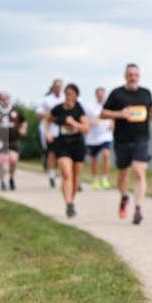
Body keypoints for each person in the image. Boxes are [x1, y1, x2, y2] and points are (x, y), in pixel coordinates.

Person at [99, 64, 152, 225]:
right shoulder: (117, 93)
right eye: (130, 75)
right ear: (125, 76)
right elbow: (103, 113)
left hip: (141, 138)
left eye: (135, 75)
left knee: (139, 171)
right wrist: (120, 114)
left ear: (138, 76)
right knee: (122, 175)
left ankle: (138, 208)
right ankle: (124, 197)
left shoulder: (145, 93)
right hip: (122, 140)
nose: (133, 77)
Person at [45, 83, 89, 217]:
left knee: (75, 177)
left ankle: (71, 202)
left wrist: (74, 123)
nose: (70, 96)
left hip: (77, 144)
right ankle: (68, 203)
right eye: (68, 94)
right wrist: (47, 132)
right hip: (62, 143)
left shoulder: (79, 110)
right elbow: (48, 120)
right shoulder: (58, 109)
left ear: (76, 96)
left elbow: (86, 129)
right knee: (66, 174)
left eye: (73, 94)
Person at [0, 91, 28, 191]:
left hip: (13, 139)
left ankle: (11, 178)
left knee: (13, 159)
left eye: (6, 98)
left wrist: (23, 128)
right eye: (2, 99)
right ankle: (2, 181)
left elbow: (24, 121)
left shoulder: (16, 110)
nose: (4, 100)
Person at [84, 87, 114, 189]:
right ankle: (95, 179)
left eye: (102, 94)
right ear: (96, 95)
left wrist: (113, 123)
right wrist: (91, 123)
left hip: (106, 135)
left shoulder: (109, 105)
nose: (101, 96)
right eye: (99, 94)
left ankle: (104, 177)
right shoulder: (90, 107)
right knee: (94, 159)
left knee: (106, 155)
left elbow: (114, 116)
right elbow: (84, 119)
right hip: (93, 137)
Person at [37, 79, 65, 188]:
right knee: (51, 152)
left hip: (62, 130)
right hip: (49, 130)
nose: (58, 89)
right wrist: (50, 117)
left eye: (60, 86)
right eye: (56, 86)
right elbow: (39, 114)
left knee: (60, 154)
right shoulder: (47, 100)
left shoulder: (64, 99)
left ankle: (56, 170)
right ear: (53, 87)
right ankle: (52, 175)